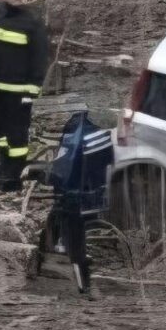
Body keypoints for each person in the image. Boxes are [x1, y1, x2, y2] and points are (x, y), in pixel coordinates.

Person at [0, 0, 50, 191]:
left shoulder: (33, 22)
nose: (24, 1)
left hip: (20, 89)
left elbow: (40, 57)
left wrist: (33, 89)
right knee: (0, 132)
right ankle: (2, 171)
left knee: (18, 134)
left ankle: (14, 178)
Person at [42, 112, 114, 293]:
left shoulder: (74, 133)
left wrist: (42, 174)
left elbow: (63, 168)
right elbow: (108, 162)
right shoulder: (102, 134)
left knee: (72, 241)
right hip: (95, 196)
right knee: (78, 239)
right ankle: (81, 273)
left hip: (73, 199)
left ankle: (80, 284)